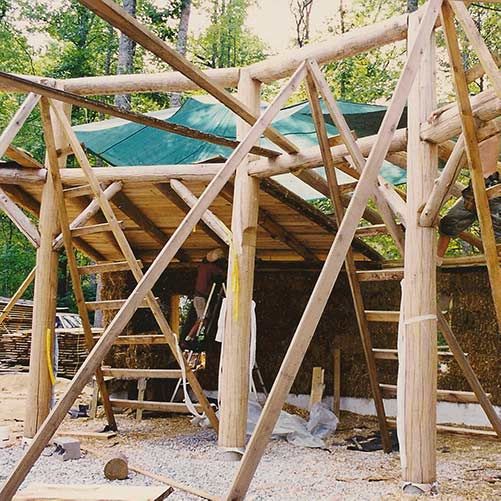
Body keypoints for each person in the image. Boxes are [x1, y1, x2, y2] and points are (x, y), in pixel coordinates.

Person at [437, 134, 500, 261]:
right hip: (475, 187)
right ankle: (437, 258)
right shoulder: (470, 130)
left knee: (498, 234)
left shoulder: (491, 129)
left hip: (491, 186)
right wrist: (439, 112)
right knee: (449, 222)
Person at [185, 248, 226, 343]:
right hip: (201, 298)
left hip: (199, 297)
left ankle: (191, 337)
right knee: (202, 318)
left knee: (204, 318)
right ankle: (189, 338)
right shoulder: (212, 268)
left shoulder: (202, 266)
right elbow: (221, 275)